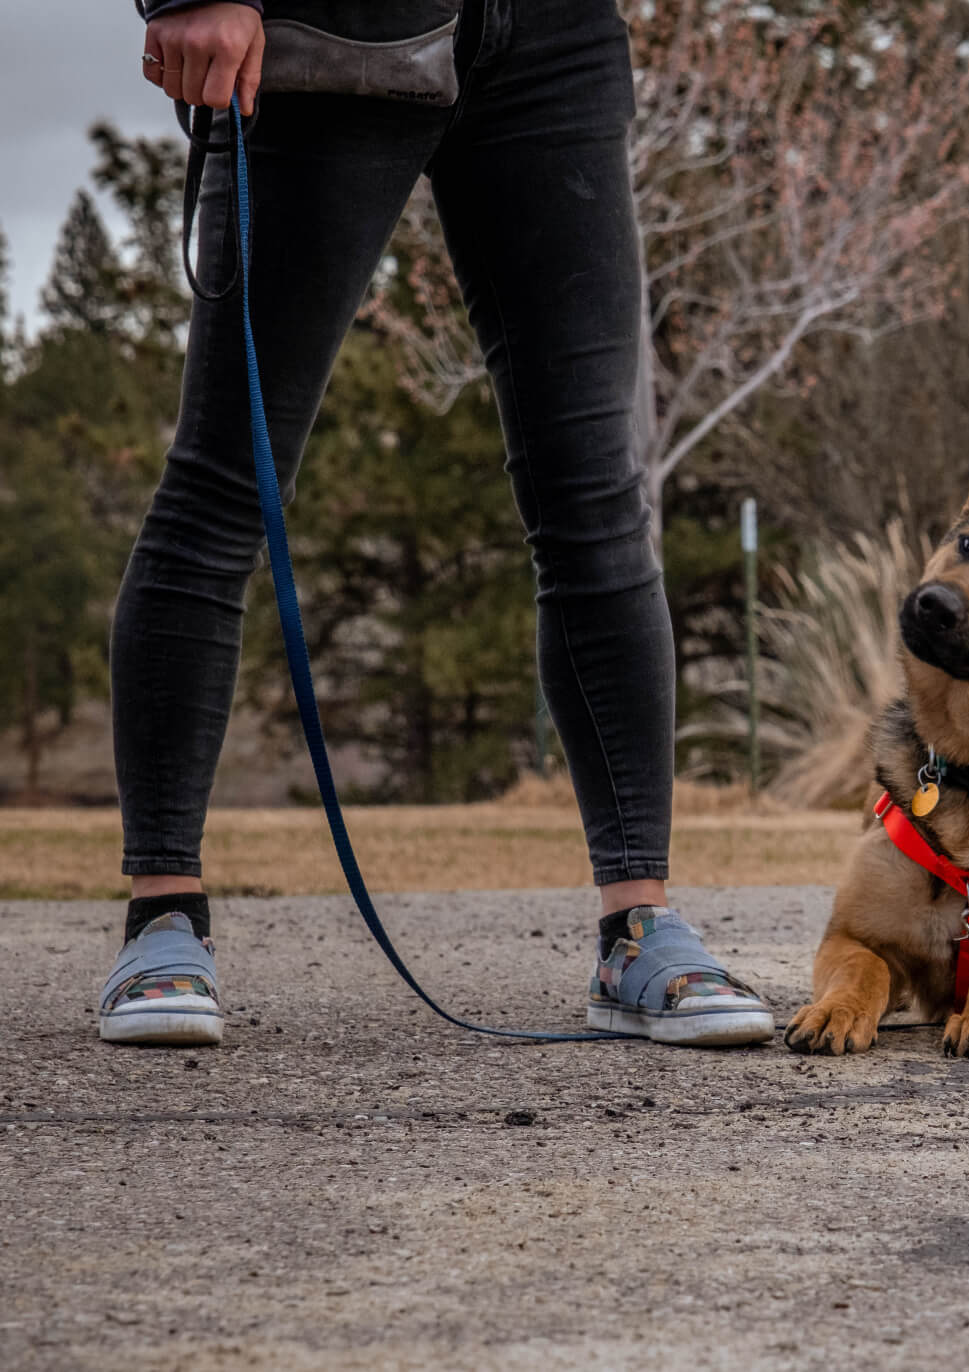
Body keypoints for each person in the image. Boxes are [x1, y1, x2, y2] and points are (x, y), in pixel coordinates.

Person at [100, 0, 775, 1049]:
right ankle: (163, 919)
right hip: (329, 30)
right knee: (225, 478)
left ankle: (636, 924)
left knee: (596, 492)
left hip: (555, 41)